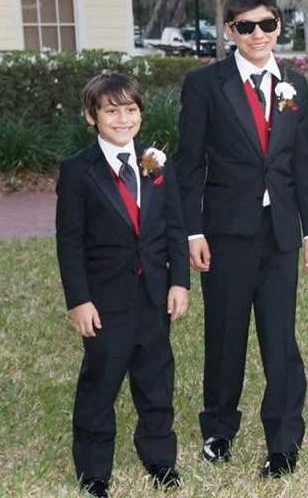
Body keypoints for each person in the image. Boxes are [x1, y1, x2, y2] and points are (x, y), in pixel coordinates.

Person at [175, 0, 308, 478]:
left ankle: (283, 439)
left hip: (280, 230)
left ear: (279, 25)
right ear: (230, 31)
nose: (258, 34)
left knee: (279, 337)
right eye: (246, 26)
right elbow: (189, 165)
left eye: (267, 24)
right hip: (225, 232)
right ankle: (219, 428)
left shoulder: (294, 85)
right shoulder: (206, 86)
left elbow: (303, 162)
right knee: (225, 335)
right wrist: (192, 231)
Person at [56, 72, 189, 498]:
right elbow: (70, 242)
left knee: (156, 382)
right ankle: (94, 470)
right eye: (111, 111)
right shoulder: (78, 171)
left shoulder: (157, 162)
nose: (122, 118)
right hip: (105, 300)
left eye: (130, 110)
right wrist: (79, 300)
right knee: (101, 383)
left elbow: (173, 227)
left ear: (140, 114)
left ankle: (160, 460)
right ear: (91, 116)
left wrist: (179, 283)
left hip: (154, 294)